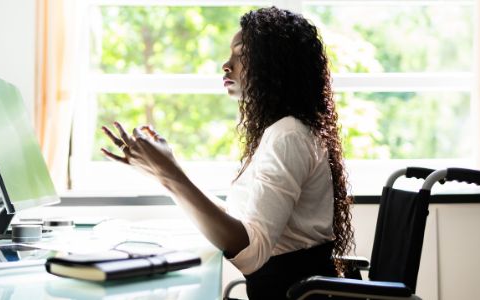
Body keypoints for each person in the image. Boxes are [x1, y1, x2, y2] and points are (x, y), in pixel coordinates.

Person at [99, 7, 354, 299]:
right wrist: (164, 175)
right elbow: (236, 221)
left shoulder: (289, 135)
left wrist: (171, 173)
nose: (226, 65)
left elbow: (252, 254)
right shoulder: (281, 131)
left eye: (240, 54)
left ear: (276, 64)